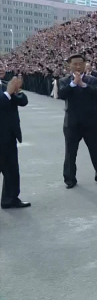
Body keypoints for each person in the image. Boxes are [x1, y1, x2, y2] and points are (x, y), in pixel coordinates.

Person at [57, 54, 97, 189]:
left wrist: (83, 84)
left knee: (95, 149)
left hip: (90, 121)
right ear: (70, 65)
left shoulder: (93, 80)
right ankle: (70, 179)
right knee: (70, 152)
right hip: (72, 123)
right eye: (75, 64)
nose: (78, 66)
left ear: (85, 64)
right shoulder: (64, 80)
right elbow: (62, 94)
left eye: (80, 63)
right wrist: (74, 84)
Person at [0, 70, 30, 209]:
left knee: (11, 169)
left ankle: (10, 199)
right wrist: (8, 94)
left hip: (9, 134)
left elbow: (23, 101)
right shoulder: (7, 89)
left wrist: (17, 91)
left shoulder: (6, 84)